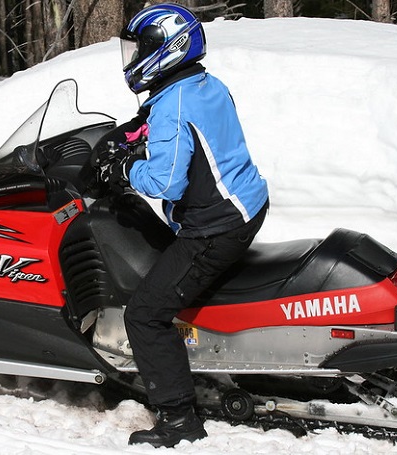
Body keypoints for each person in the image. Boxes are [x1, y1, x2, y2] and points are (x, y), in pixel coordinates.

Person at [97, 3, 269, 448]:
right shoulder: (201, 84)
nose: (133, 60)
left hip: (215, 226)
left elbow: (165, 181)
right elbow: (190, 130)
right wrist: (135, 133)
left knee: (146, 314)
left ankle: (178, 420)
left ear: (168, 49)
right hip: (245, 205)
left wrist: (123, 171)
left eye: (141, 49)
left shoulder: (172, 104)